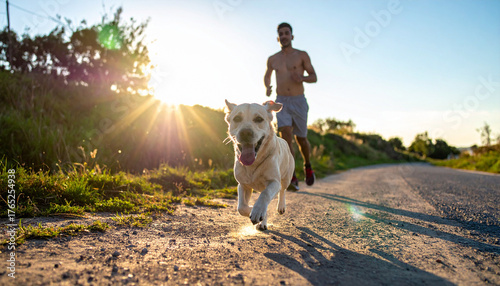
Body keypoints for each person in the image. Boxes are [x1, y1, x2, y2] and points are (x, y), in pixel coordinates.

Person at [264, 22, 317, 191]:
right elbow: (267, 76)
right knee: (285, 135)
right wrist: (267, 87)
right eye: (281, 33)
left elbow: (314, 76)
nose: (284, 36)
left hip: (298, 101)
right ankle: (291, 174)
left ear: (292, 36)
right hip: (282, 101)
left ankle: (308, 166)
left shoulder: (301, 55)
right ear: (277, 37)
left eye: (287, 33)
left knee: (301, 139)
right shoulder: (273, 59)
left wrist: (301, 78)